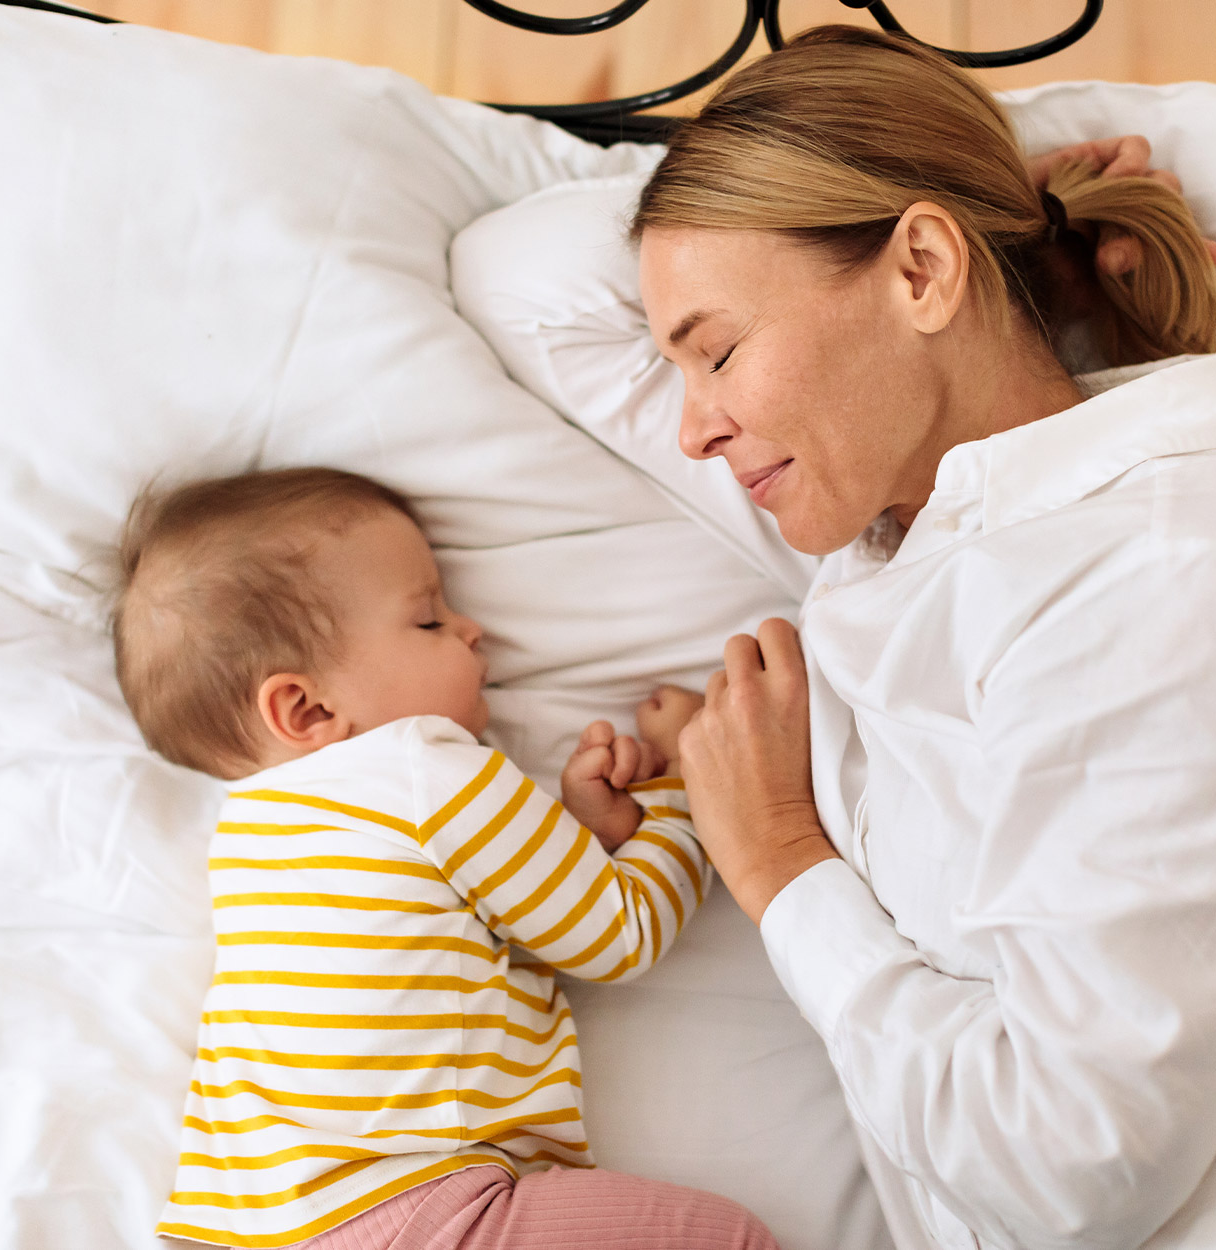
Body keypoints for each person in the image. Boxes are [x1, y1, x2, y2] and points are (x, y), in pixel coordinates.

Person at [631, 25, 1216, 1250]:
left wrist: (780, 862)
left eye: (717, 351)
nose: (690, 430)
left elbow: (1075, 1167)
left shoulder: (1168, 581)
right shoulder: (896, 537)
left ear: (922, 267)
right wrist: (1028, 232)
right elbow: (509, 277)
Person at [111, 467, 774, 1250]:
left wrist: (586, 836)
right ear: (308, 709)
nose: (471, 630)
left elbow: (465, 938)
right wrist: (677, 783)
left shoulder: (252, 833)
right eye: (427, 621)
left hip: (237, 1224)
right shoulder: (426, 767)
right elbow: (618, 933)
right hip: (413, 1208)